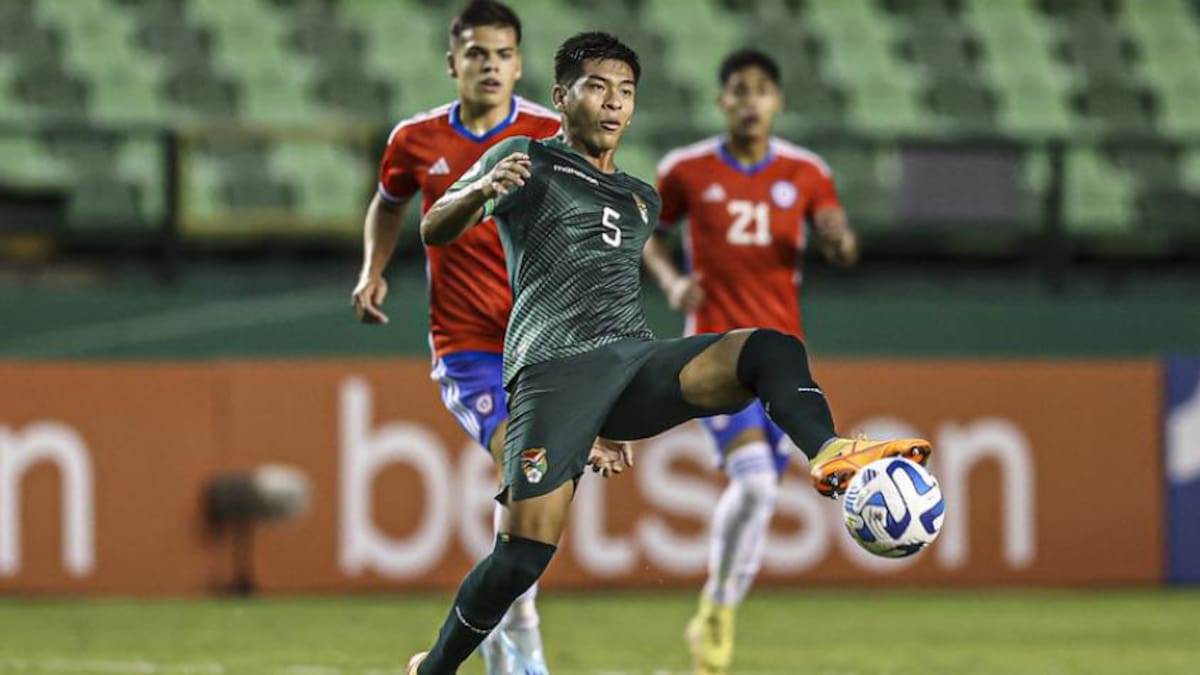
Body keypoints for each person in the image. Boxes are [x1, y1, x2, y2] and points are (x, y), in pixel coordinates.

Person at [405, 32, 932, 675]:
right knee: (521, 559)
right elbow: (435, 228)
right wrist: (478, 190)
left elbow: (614, 296)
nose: (613, 104)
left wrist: (611, 409)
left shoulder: (638, 199)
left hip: (629, 362)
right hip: (551, 373)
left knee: (766, 348)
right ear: (560, 96)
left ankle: (830, 452)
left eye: (625, 92)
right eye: (596, 87)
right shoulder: (526, 158)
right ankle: (433, 668)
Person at [348, 2, 560, 673]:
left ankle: (505, 622)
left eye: (501, 54)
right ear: (453, 63)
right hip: (467, 348)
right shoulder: (414, 139)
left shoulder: (549, 134)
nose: (489, 65)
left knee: (536, 487)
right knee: (524, 470)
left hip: (536, 345)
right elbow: (388, 205)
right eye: (476, 53)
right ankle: (518, 643)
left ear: (519, 64)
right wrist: (373, 270)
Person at [644, 49, 859, 675]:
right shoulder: (685, 170)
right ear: (722, 100)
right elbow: (651, 237)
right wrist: (670, 281)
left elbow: (836, 229)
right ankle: (717, 613)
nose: (749, 101)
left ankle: (717, 609)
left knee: (763, 495)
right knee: (759, 481)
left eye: (761, 90)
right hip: (713, 353)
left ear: (777, 101)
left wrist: (840, 241)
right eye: (738, 90)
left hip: (782, 359)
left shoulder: (806, 171)